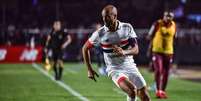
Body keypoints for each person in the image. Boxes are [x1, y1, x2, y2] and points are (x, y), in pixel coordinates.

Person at [82, 5, 151, 101]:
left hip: (130, 66)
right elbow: (85, 48)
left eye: (107, 16)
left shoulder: (127, 27)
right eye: (103, 17)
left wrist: (124, 52)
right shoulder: (100, 33)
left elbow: (136, 49)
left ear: (115, 16)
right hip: (115, 69)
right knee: (132, 90)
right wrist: (89, 69)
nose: (105, 19)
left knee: (145, 96)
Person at [147, 11, 176, 98]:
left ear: (172, 17)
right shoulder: (157, 23)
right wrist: (150, 48)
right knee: (158, 70)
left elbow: (174, 37)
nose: (168, 18)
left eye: (170, 16)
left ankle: (162, 91)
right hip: (157, 51)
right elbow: (149, 36)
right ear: (163, 16)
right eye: (166, 16)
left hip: (169, 52)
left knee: (166, 72)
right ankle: (158, 90)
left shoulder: (174, 25)